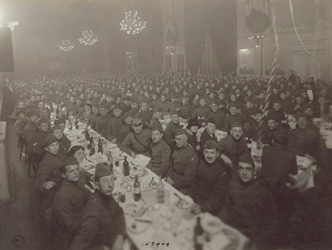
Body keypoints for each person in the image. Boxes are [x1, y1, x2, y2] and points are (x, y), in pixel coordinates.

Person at [218, 154, 279, 248]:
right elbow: (226, 207)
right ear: (237, 170)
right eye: (241, 168)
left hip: (253, 236)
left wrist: (259, 243)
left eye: (248, 169)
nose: (244, 173)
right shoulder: (233, 184)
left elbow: (272, 220)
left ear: (254, 171)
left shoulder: (261, 190)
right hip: (234, 230)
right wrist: (219, 224)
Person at [70, 163, 126, 250]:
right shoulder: (94, 213)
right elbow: (77, 246)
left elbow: (118, 211)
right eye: (105, 181)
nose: (110, 184)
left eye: (112, 179)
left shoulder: (106, 194)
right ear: (96, 185)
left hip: (114, 239)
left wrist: (119, 236)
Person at [285, 155, 332, 249]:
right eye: (293, 168)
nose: (293, 174)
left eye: (300, 167)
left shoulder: (317, 203)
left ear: (314, 167)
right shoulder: (296, 196)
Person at [52, 157, 91, 249]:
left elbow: (87, 196)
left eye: (77, 169)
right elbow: (72, 225)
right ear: (63, 175)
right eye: (71, 171)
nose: (76, 173)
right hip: (74, 234)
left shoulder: (77, 182)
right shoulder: (62, 196)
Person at [188, 140, 230, 215]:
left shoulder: (221, 171)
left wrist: (202, 207)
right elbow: (195, 181)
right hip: (196, 199)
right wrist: (188, 196)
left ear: (217, 154)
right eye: (207, 152)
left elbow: (218, 197)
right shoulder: (201, 163)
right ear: (203, 152)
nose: (209, 156)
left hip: (209, 205)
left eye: (212, 153)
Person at [34, 134, 67, 220]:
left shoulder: (58, 153)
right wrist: (44, 184)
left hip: (62, 183)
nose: (55, 147)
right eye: (52, 146)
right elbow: (37, 184)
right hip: (56, 191)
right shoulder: (46, 162)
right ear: (46, 148)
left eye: (56, 144)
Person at [166, 129, 198, 194]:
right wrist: (168, 177)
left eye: (179, 139)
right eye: (175, 139)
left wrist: (173, 183)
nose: (176, 141)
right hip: (172, 179)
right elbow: (171, 165)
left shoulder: (191, 155)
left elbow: (188, 179)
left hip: (183, 187)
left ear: (186, 139)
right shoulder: (177, 147)